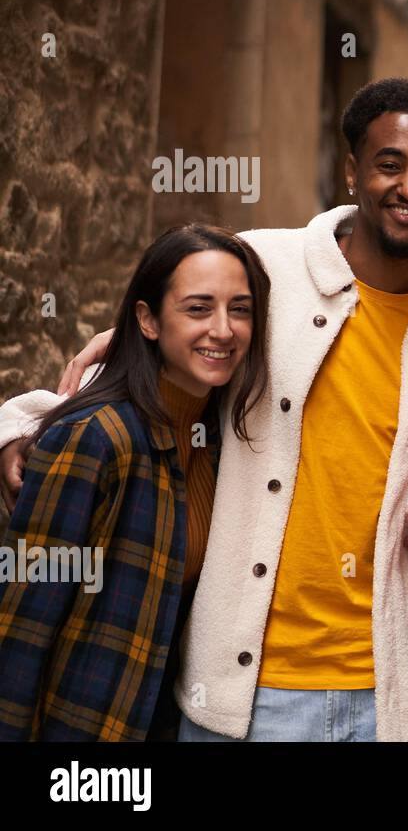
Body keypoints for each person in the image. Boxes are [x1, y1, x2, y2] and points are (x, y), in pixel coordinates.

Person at [0, 77, 408, 741]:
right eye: (388, 164)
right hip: (245, 693)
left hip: (392, 697)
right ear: (351, 171)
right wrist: (18, 427)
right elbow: (143, 361)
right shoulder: (262, 268)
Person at [0, 225, 270, 740]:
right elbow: (21, 626)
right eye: (197, 308)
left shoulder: (221, 443)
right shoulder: (96, 440)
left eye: (240, 309)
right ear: (147, 320)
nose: (223, 329)